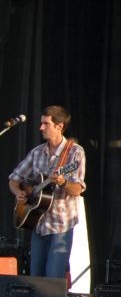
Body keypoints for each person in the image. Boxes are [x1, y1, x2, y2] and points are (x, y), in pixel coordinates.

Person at [8, 106, 86, 279]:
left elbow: (77, 190)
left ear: (60, 126)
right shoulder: (37, 153)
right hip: (38, 224)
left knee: (53, 280)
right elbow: (13, 179)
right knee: (36, 279)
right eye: (41, 123)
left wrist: (63, 182)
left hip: (60, 227)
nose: (41, 127)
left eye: (46, 124)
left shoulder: (75, 152)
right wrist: (19, 192)